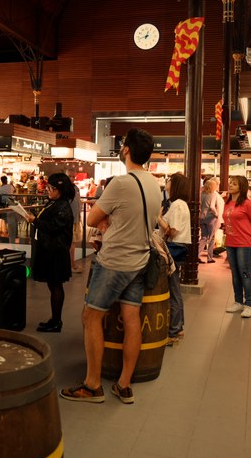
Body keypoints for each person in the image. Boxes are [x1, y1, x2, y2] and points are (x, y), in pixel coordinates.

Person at [60, 128, 161, 405]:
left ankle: (92, 385)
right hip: (140, 261)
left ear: (126, 150)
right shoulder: (154, 184)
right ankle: (124, 385)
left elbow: (92, 219)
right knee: (131, 319)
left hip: (115, 261)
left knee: (90, 317)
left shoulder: (121, 183)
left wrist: (107, 220)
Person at [27, 173, 75, 332]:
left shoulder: (62, 206)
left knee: (55, 286)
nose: (47, 190)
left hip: (56, 252)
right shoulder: (54, 203)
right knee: (53, 285)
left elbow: (54, 227)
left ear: (60, 190)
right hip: (51, 250)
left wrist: (35, 221)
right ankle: (54, 320)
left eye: (51, 188)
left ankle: (56, 322)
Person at [157, 172, 191, 344]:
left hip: (174, 248)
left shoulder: (177, 205)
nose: (167, 182)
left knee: (173, 289)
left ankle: (174, 330)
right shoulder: (180, 204)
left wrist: (158, 218)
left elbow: (173, 231)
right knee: (175, 287)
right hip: (178, 247)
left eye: (170, 180)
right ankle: (179, 326)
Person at [223, 175, 251, 318]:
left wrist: (249, 235)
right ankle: (238, 302)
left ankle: (248, 304)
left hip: (244, 244)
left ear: (241, 187)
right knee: (235, 273)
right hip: (230, 242)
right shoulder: (227, 202)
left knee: (245, 273)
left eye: (234, 184)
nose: (230, 185)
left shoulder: (247, 204)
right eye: (230, 183)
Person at [198, 178, 218, 263]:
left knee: (203, 237)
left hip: (202, 217)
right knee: (212, 237)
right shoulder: (213, 195)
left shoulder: (201, 194)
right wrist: (216, 214)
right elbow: (212, 207)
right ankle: (209, 258)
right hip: (210, 218)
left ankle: (196, 255)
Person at [68, 171, 83, 273]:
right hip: (69, 220)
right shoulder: (65, 189)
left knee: (73, 243)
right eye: (70, 176)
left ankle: (72, 264)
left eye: (73, 176)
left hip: (76, 219)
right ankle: (72, 265)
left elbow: (78, 201)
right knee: (71, 243)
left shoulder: (76, 188)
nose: (72, 178)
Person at [0, 175, 17, 242]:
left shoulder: (0, 189)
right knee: (11, 220)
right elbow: (14, 190)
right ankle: (11, 234)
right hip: (11, 203)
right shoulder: (10, 186)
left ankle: (6, 231)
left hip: (4, 204)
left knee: (6, 219)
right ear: (6, 180)